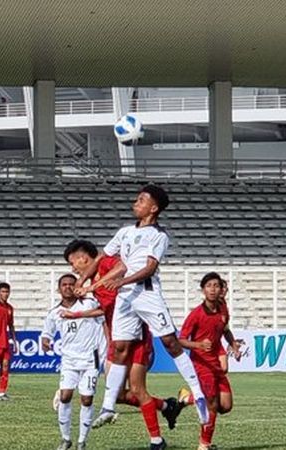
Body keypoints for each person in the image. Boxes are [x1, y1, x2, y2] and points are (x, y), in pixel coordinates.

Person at [76, 184, 208, 449]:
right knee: (120, 348)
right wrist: (85, 282)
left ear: (153, 208)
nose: (135, 203)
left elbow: (148, 269)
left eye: (141, 200)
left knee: (171, 342)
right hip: (125, 297)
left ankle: (198, 394)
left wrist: (120, 281)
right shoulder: (125, 232)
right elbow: (110, 259)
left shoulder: (158, 236)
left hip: (146, 293)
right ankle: (109, 407)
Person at [64, 240, 182, 432]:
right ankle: (167, 406)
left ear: (83, 258)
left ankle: (157, 439)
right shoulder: (92, 282)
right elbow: (105, 309)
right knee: (118, 394)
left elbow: (122, 267)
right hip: (118, 340)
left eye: (72, 263)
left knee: (136, 389)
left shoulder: (105, 264)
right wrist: (78, 314)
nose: (73, 268)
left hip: (135, 336)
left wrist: (92, 287)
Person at [41, 274, 106, 450]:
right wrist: (45, 340)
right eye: (64, 285)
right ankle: (66, 439)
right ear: (59, 288)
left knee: (86, 399)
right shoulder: (54, 312)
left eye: (71, 284)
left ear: (76, 286)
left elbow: (104, 312)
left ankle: (82, 441)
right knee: (65, 396)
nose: (68, 287)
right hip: (69, 360)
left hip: (90, 359)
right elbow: (47, 332)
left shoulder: (88, 303)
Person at [177, 273, 240, 450]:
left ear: (221, 289)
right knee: (212, 404)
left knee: (225, 406)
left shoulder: (222, 308)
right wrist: (197, 344)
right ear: (203, 290)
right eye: (209, 286)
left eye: (216, 286)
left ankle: (186, 397)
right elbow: (180, 340)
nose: (213, 289)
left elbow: (225, 329)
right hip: (201, 363)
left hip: (215, 364)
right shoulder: (196, 314)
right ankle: (204, 444)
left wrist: (233, 345)